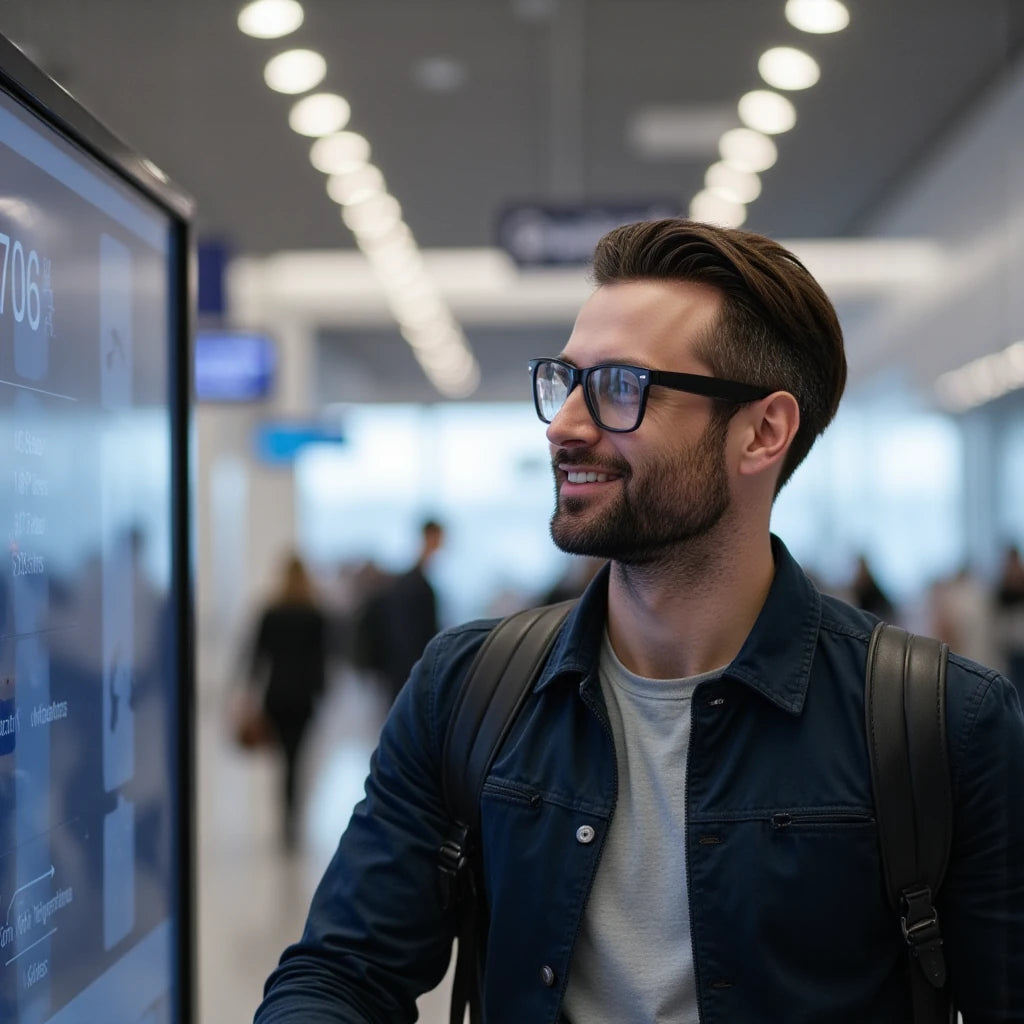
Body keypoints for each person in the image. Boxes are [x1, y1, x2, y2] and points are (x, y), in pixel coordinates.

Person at [254, 219, 1024, 1021]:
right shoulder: (470, 690)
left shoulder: (940, 722)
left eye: (621, 386)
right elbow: (341, 971)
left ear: (763, 432)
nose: (564, 426)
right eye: (566, 381)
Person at [247, 551, 328, 851]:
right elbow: (322, 660)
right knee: (296, 758)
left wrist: (248, 693)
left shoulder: (271, 613)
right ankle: (291, 819)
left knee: (283, 759)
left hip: (276, 696)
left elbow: (256, 657)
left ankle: (286, 816)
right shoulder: (315, 614)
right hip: (303, 698)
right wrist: (321, 692)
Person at [352, 519, 445, 707]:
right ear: (431, 537)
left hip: (405, 669)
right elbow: (409, 634)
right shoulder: (414, 584)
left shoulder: (411, 581)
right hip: (408, 670)